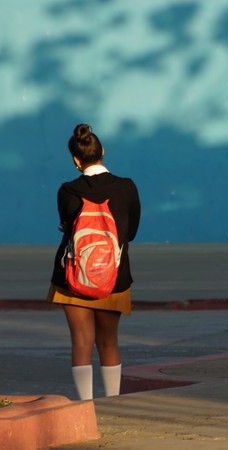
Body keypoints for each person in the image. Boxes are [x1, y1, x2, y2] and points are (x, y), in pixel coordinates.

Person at [47, 124, 140, 400]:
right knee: (109, 341)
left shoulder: (67, 190)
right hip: (115, 275)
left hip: (72, 277)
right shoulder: (126, 187)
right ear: (102, 152)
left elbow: (67, 225)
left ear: (76, 160)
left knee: (81, 341)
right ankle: (113, 402)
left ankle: (86, 404)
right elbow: (131, 233)